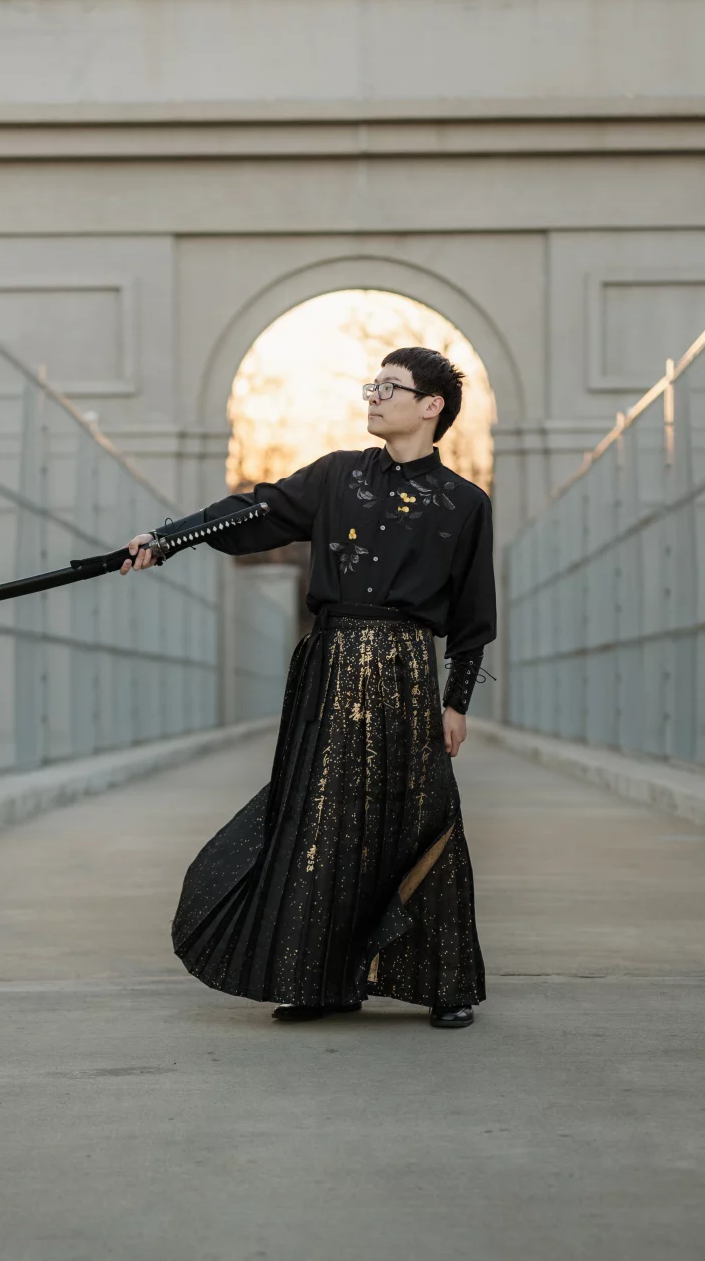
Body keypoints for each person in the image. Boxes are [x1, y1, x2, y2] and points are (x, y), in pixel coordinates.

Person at [121, 347, 494, 1029]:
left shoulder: (465, 504)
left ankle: (445, 982)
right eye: (372, 384)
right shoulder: (336, 476)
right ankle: (321, 979)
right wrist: (170, 538)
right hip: (330, 664)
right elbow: (255, 511)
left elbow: (473, 614)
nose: (373, 396)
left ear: (432, 405)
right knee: (322, 819)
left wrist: (457, 698)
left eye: (389, 387)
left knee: (421, 814)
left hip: (409, 668)